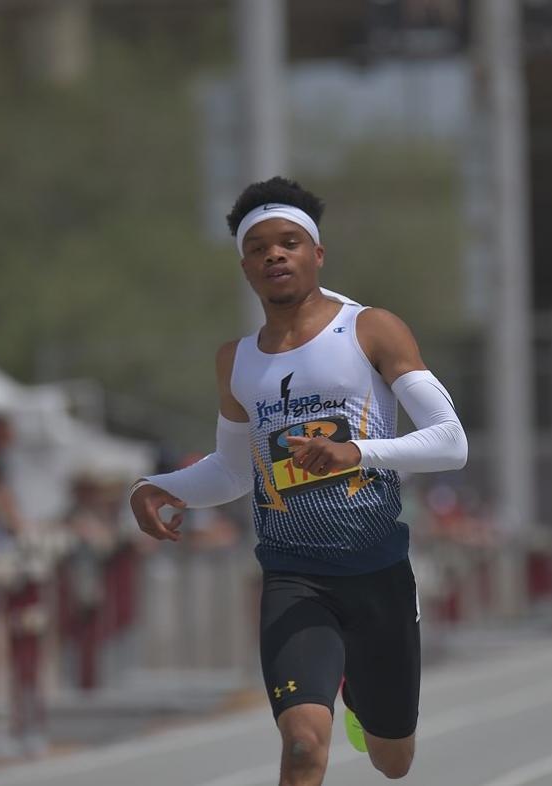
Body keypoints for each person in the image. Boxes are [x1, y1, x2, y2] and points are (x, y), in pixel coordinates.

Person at [129, 176, 468, 784]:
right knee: (304, 749)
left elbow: (451, 442)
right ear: (246, 267)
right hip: (294, 577)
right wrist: (160, 486)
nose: (274, 255)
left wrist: (355, 453)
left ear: (318, 254)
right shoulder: (237, 359)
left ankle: (364, 702)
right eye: (259, 248)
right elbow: (235, 470)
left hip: (378, 572)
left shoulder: (371, 330)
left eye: (289, 242)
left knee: (394, 761)